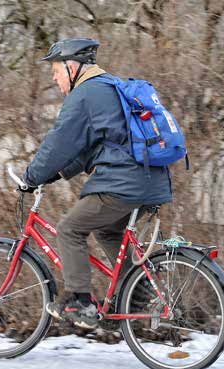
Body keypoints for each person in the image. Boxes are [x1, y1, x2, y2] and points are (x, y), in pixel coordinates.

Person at [21, 38, 173, 329]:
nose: (54, 77)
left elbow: (59, 142)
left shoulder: (85, 94)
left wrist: (31, 177)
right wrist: (56, 174)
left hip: (125, 183)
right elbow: (92, 149)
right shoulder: (109, 87)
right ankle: (135, 293)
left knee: (69, 228)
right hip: (150, 182)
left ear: (72, 66)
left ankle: (80, 302)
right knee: (106, 229)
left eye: (56, 70)